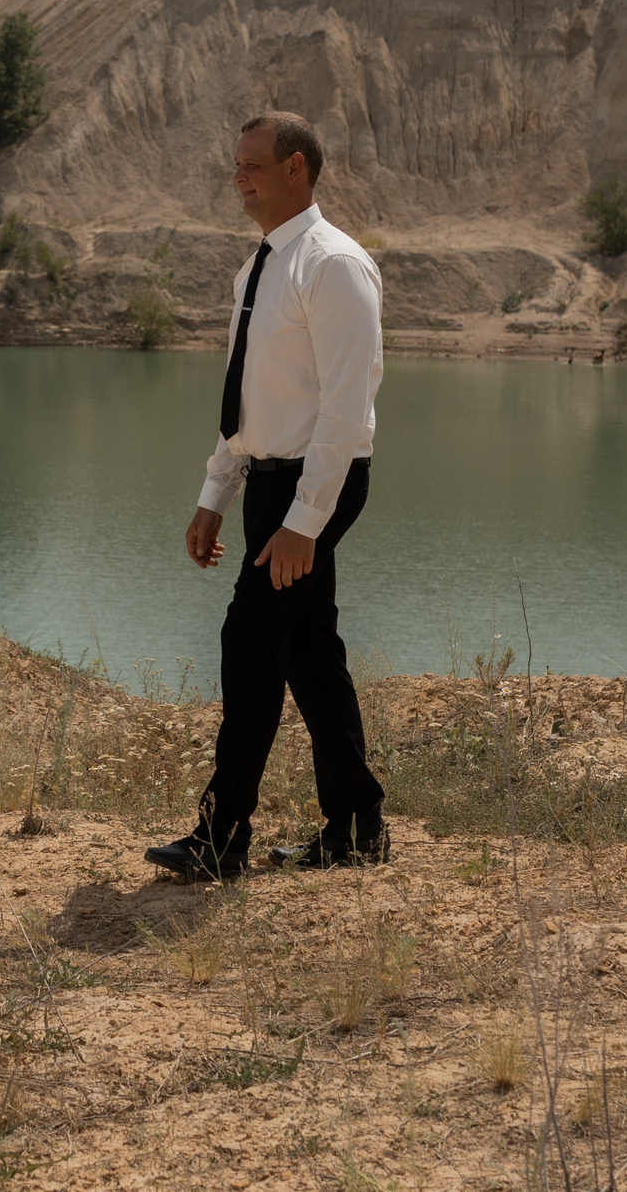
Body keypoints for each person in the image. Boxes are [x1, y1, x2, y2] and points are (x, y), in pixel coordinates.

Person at [146, 112, 389, 880]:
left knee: (248, 641)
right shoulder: (257, 267)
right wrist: (214, 492)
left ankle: (221, 837)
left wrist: (304, 521)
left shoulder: (334, 264)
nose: (238, 178)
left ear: (295, 168)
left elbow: (345, 409)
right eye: (235, 164)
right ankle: (357, 828)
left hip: (318, 483)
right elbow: (248, 394)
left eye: (251, 164)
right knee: (310, 654)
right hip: (268, 481)